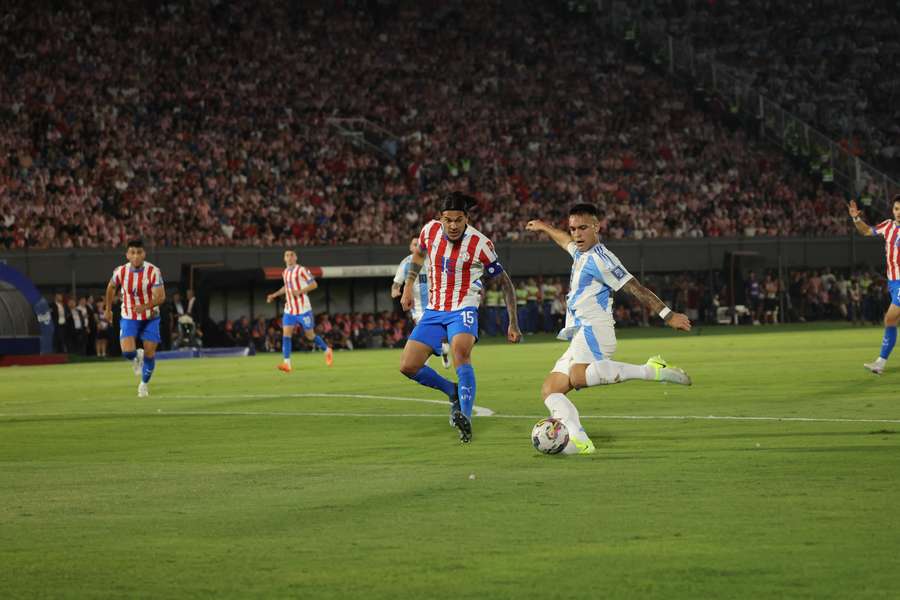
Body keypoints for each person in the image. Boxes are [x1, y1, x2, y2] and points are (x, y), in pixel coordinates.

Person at [526, 204, 692, 455]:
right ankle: (580, 440)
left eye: (583, 228)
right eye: (573, 229)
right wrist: (544, 227)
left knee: (578, 377)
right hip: (580, 331)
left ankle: (650, 371)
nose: (577, 234)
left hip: (595, 329)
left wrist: (667, 315)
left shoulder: (602, 259)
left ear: (596, 227)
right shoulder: (580, 252)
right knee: (551, 389)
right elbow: (564, 242)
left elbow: (635, 287)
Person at [399, 191, 522, 443]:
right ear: (440, 218)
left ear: (467, 218)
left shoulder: (481, 244)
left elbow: (504, 282)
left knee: (460, 353)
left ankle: (464, 416)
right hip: (434, 309)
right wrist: (408, 285)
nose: (453, 226)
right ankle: (452, 391)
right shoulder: (429, 231)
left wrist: (513, 321)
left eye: (458, 220)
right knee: (408, 365)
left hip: (464, 307)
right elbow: (419, 255)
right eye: (448, 220)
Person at [104, 239, 166, 397]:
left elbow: (161, 297)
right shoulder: (120, 271)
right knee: (127, 352)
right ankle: (136, 355)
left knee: (150, 353)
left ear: (144, 254)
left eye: (139, 252)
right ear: (127, 255)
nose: (136, 256)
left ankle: (144, 385)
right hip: (129, 316)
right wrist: (108, 309)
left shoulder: (153, 271)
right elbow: (111, 288)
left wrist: (145, 306)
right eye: (133, 252)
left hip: (150, 316)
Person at [848, 196, 900, 374]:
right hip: (893, 282)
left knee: (889, 318)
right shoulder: (888, 225)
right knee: (891, 320)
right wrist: (856, 218)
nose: (898, 213)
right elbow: (867, 231)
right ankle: (880, 362)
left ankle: (880, 362)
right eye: (896, 209)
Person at [266, 249, 333, 372]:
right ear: (284, 259)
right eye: (287, 255)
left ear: (296, 258)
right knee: (286, 335)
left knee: (310, 335)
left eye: (292, 255)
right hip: (289, 310)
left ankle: (327, 350)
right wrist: (274, 295)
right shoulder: (285, 272)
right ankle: (287, 364)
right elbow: (286, 287)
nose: (289, 257)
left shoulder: (301, 270)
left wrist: (300, 291)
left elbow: (314, 284)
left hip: (303, 309)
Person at [392, 237, 451, 368]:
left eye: (420, 244)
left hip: (438, 304)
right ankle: (425, 360)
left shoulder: (433, 260)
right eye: (414, 244)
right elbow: (396, 283)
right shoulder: (406, 263)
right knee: (426, 332)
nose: (418, 246)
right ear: (410, 247)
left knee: (443, 337)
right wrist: (395, 291)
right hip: (418, 308)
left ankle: (445, 352)